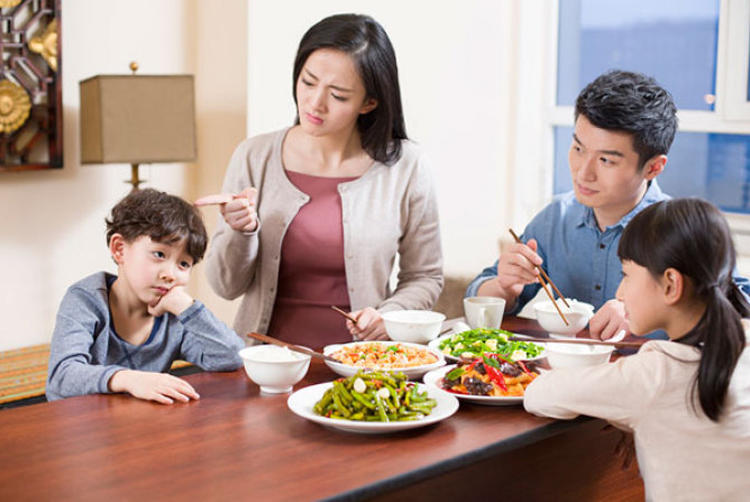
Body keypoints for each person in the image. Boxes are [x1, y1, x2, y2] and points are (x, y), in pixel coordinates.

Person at [200, 14, 443, 347]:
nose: (314, 103)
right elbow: (225, 287)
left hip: (364, 369)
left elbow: (425, 277)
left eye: (339, 95)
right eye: (308, 81)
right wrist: (242, 233)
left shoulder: (407, 167)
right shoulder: (254, 156)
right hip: (267, 365)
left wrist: (390, 315)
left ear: (369, 102)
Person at [467, 69, 749, 340]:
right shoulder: (556, 219)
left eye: (606, 160)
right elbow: (476, 296)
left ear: (653, 167)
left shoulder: (683, 230)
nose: (582, 172)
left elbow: (742, 310)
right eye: (578, 148)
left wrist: (646, 311)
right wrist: (505, 287)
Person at [524, 198, 750, 500]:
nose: (619, 292)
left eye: (627, 275)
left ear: (671, 284)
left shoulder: (653, 375)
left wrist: (625, 412)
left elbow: (539, 395)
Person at [46, 189, 244, 404]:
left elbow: (232, 356)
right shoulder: (85, 299)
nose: (170, 274)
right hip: (84, 427)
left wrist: (187, 307)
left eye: (183, 264)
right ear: (119, 249)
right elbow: (62, 377)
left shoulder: (175, 317)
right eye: (159, 254)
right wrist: (130, 380)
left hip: (140, 425)